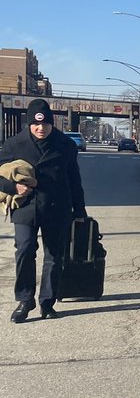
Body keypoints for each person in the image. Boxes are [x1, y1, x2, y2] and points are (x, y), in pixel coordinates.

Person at [0, 99, 87, 322]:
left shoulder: (65, 145)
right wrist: (13, 187)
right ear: (29, 123)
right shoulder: (13, 145)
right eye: (36, 124)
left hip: (57, 206)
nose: (41, 128)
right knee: (25, 250)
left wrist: (79, 210)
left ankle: (47, 302)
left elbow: (74, 180)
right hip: (26, 207)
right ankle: (24, 300)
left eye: (46, 124)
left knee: (54, 256)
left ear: (52, 123)